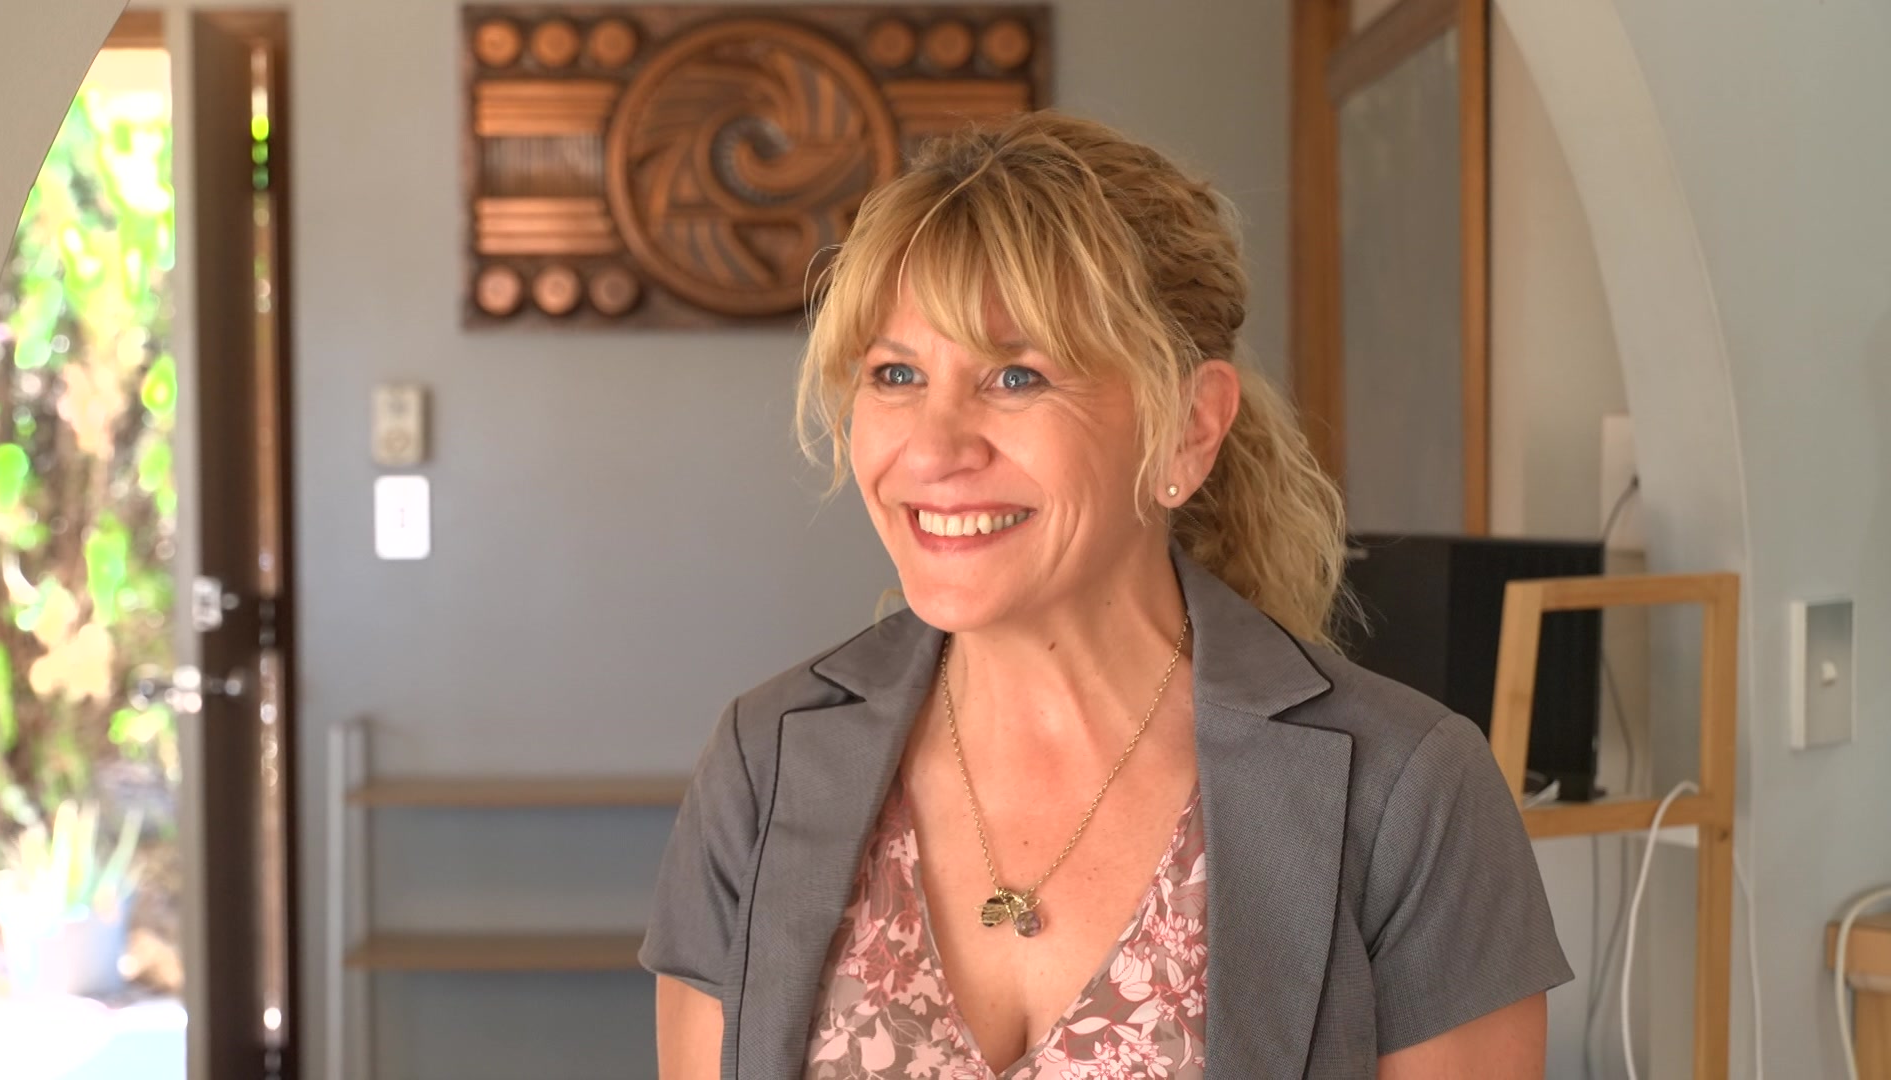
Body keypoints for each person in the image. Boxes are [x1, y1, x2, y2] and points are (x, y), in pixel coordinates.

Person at [641, 110, 1571, 1078]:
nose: (932, 448)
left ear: (1190, 428)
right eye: (896, 373)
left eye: (1016, 375)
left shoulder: (1405, 791)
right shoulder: (767, 762)